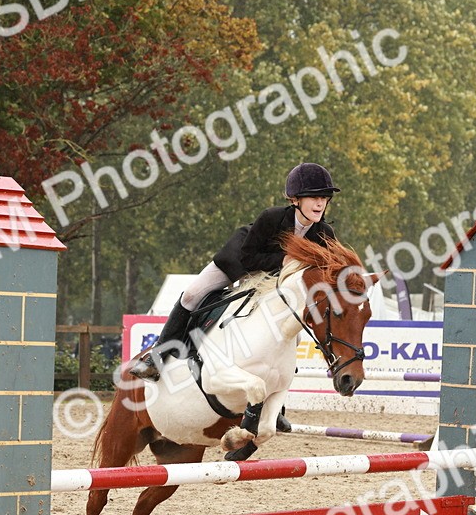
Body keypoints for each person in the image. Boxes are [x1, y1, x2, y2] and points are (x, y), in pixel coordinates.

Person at [130, 162, 341, 382]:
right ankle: (157, 357)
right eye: (314, 197)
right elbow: (248, 258)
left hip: (272, 280)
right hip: (239, 262)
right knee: (192, 295)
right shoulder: (271, 217)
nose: (320, 203)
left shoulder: (324, 234)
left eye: (324, 198)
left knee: (292, 332)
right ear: (295, 199)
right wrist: (283, 260)